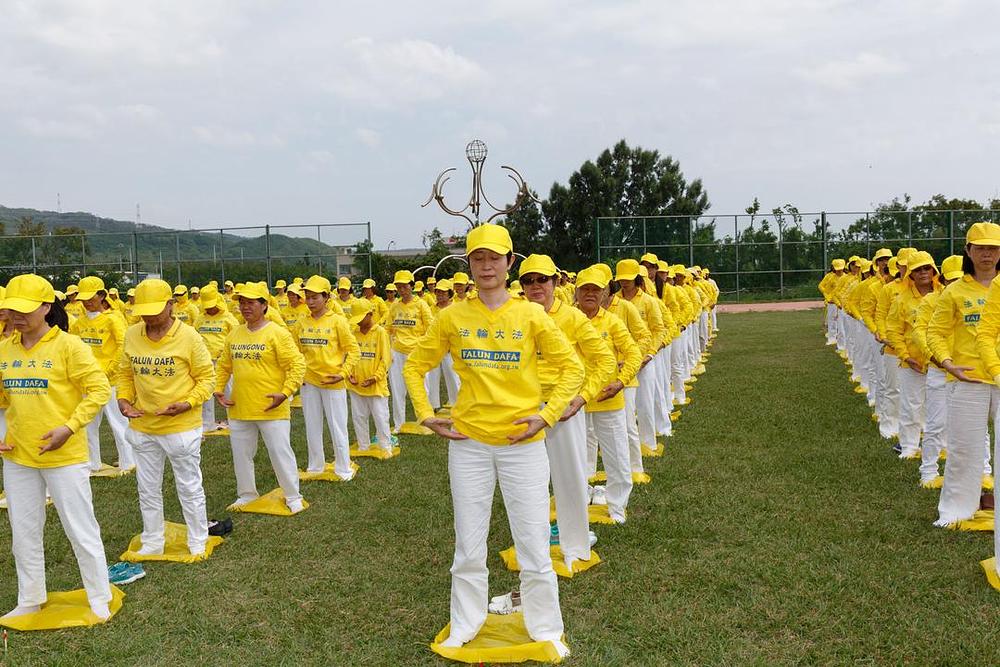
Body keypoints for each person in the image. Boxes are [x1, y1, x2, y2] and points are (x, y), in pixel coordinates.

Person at [402, 224, 583, 657]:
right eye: (478, 258)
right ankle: (466, 623)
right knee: (468, 542)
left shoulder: (531, 315)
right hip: (469, 444)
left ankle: (545, 627)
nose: (486, 266)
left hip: (522, 446)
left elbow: (572, 369)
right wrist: (426, 414)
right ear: (469, 264)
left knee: (533, 542)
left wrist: (545, 417)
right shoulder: (452, 316)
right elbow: (414, 365)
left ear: (509, 262)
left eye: (495, 258)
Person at [0, 274, 114, 620]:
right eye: (12, 310)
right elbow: (4, 397)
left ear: (46, 307)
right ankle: (30, 597)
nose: (17, 317)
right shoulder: (5, 348)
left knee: (80, 528)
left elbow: (99, 389)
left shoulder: (69, 346)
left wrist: (69, 427)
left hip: (64, 455)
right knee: (23, 531)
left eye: (25, 310)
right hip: (19, 456)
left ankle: (99, 595)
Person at [520, 254, 615, 567]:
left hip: (562, 409)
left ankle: (575, 544)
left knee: (570, 477)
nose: (536, 286)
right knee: (527, 479)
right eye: (528, 280)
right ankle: (534, 541)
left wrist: (583, 397)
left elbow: (605, 360)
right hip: (524, 408)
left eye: (542, 279)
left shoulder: (572, 318)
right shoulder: (514, 316)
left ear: (555, 282)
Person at [116, 279, 215, 556]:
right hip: (143, 425)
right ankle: (152, 540)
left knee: (189, 486)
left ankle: (197, 539)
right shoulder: (132, 334)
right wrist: (123, 399)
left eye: (155, 311)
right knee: (147, 487)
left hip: (180, 427)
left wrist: (187, 403)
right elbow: (125, 373)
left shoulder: (189, 337)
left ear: (170, 305)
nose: (149, 318)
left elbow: (207, 378)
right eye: (144, 312)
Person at [214, 282, 307, 513]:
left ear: (264, 305)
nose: (245, 307)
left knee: (280, 452)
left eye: (251, 302)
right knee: (241, 454)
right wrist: (218, 389)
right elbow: (224, 365)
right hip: (239, 406)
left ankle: (292, 495)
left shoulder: (277, 333)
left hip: (271, 407)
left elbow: (296, 364)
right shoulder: (235, 334)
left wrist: (285, 392)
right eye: (242, 303)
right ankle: (246, 494)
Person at [929, 223, 1000, 526]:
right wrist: (948, 363)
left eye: (993, 248)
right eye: (980, 248)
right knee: (964, 449)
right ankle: (957, 510)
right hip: (968, 379)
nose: (987, 254)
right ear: (968, 251)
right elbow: (935, 332)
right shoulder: (955, 291)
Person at [575, 267, 642, 522]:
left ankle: (617, 505)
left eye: (596, 289)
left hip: (608, 399)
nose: (590, 294)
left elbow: (633, 353)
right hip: (574, 402)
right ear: (576, 292)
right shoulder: (567, 320)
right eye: (585, 289)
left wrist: (621, 382)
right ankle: (578, 499)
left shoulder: (612, 322)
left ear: (605, 293)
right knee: (576, 456)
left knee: (616, 455)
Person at [293, 275, 361, 480]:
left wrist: (342, 374)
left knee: (337, 426)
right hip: (309, 382)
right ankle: (315, 466)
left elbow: (354, 350)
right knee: (312, 424)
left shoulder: (337, 321)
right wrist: (298, 374)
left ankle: (343, 468)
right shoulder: (301, 322)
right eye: (308, 297)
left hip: (333, 383)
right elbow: (294, 351)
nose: (310, 301)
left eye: (315, 297)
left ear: (326, 297)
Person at [69, 276, 133, 472]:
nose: (87, 302)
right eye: (84, 299)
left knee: (118, 422)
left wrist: (109, 370)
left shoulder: (113, 319)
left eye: (91, 297)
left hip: (110, 380)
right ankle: (92, 463)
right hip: (87, 381)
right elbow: (72, 347)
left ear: (102, 296)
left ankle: (128, 462)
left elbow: (123, 345)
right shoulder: (79, 323)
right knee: (87, 423)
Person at [911, 254, 963, 485]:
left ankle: (982, 471)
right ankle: (929, 472)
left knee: (975, 427)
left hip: (969, 371)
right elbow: (920, 331)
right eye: (951, 280)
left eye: (960, 278)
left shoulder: (978, 298)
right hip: (940, 370)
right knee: (935, 422)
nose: (956, 284)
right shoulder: (931, 301)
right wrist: (936, 357)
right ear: (942, 279)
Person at [885, 251, 941, 459]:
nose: (923, 272)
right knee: (911, 405)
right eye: (917, 270)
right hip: (913, 362)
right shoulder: (902, 300)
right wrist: (906, 356)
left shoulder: (946, 294)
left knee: (940, 407)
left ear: (934, 271)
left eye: (927, 268)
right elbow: (894, 331)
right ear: (910, 274)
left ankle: (940, 445)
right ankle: (909, 446)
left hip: (942, 363)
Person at [386, 270, 433, 432]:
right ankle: (399, 423)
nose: (402, 290)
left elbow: (431, 328)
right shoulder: (395, 306)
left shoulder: (421, 305)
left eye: (405, 286)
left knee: (421, 387)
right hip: (397, 351)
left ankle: (426, 420)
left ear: (411, 286)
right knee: (397, 388)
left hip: (416, 352)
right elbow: (388, 328)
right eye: (399, 287)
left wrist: (424, 347)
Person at [346, 300, 393, 453]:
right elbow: (349, 356)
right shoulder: (354, 333)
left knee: (381, 417)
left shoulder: (380, 333)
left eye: (361, 318)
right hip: (357, 385)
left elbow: (386, 359)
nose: (359, 322)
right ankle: (363, 445)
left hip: (376, 385)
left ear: (370, 314)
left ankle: (385, 446)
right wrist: (349, 375)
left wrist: (375, 377)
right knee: (359, 417)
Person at [193, 285, 239, 433]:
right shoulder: (200, 318)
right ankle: (207, 422)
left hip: (223, 360)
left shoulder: (228, 318)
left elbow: (237, 338)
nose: (209, 308)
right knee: (206, 392)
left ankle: (235, 420)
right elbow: (194, 337)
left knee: (229, 390)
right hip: (205, 361)